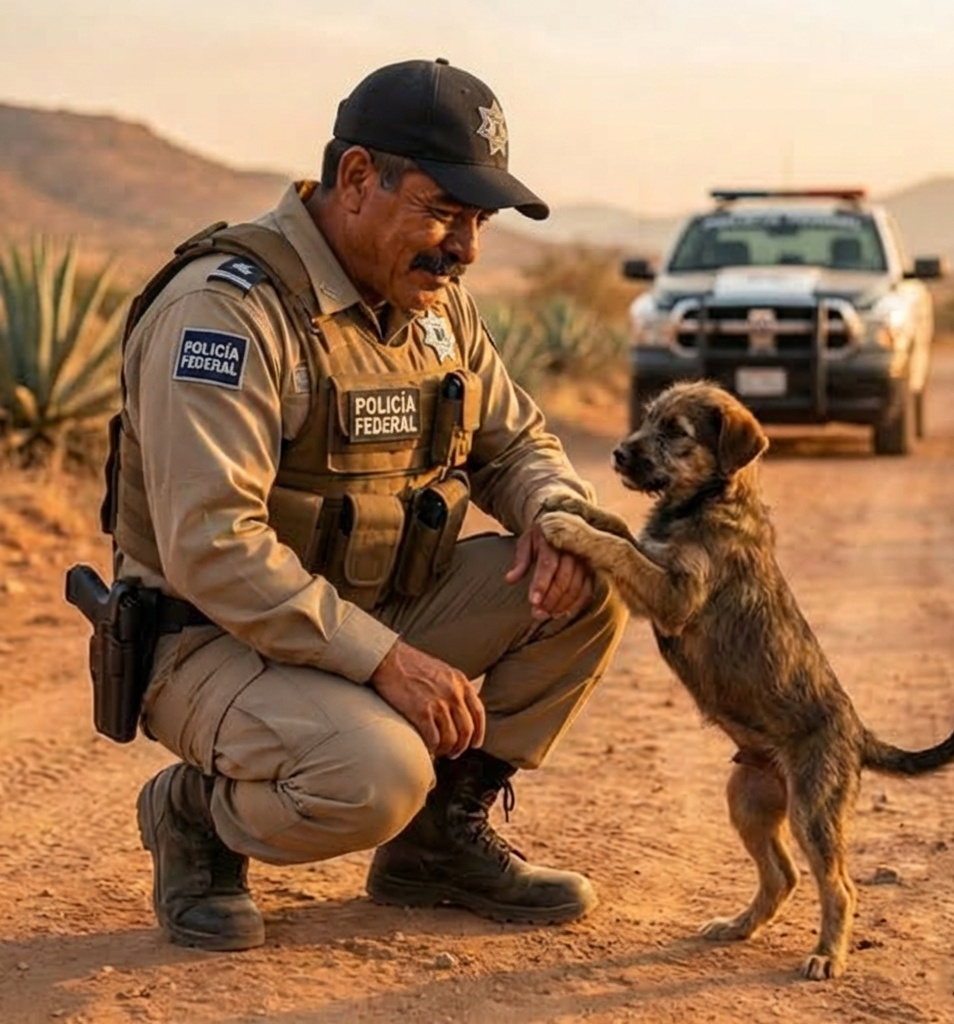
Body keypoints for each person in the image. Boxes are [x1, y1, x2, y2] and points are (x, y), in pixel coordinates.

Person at [106, 57, 627, 952]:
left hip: (366, 613)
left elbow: (517, 443)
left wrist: (549, 512)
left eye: (477, 222)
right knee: (373, 777)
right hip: (211, 637)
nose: (463, 248)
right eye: (441, 212)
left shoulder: (436, 309)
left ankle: (434, 848)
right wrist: (389, 662)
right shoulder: (228, 314)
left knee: (594, 562)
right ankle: (193, 813)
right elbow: (214, 546)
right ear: (356, 179)